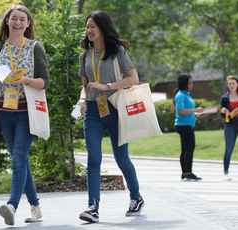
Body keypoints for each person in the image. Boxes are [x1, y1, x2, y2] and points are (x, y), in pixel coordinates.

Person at [0, 4, 49, 225]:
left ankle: (11, 205)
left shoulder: (35, 47)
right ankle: (35, 207)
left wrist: (25, 80)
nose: (18, 23)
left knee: (18, 158)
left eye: (22, 19)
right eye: (14, 18)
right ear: (7, 21)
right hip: (4, 111)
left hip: (28, 111)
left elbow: (45, 81)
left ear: (28, 23)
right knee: (21, 161)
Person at [77, 10, 144, 223]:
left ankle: (136, 198)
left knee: (121, 158)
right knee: (93, 159)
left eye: (92, 27)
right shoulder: (85, 56)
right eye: (87, 27)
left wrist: (108, 86)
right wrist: (81, 100)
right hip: (94, 111)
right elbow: (85, 86)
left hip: (115, 109)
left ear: (103, 29)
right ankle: (92, 207)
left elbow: (133, 78)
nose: (89, 31)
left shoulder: (117, 52)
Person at [173, 74, 210, 181]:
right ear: (184, 84)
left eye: (192, 83)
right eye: (189, 83)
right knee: (190, 148)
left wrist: (198, 114)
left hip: (186, 124)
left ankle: (185, 173)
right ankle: (188, 172)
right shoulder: (180, 95)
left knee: (185, 149)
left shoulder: (186, 95)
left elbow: (187, 111)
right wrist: (195, 110)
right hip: (183, 125)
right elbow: (180, 111)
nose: (191, 85)